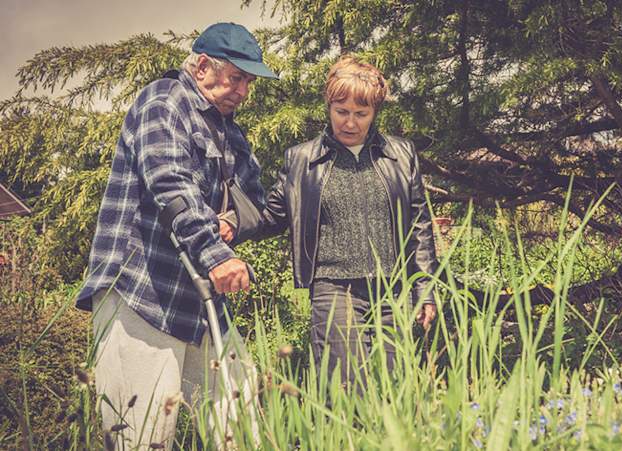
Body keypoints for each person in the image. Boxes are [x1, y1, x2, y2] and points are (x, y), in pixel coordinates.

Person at [75, 22, 275, 448]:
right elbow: (170, 185)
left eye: (249, 81)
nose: (244, 90)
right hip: (141, 293)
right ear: (202, 66)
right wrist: (217, 252)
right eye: (237, 77)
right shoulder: (163, 102)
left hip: (200, 298)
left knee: (242, 429)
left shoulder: (229, 130)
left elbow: (254, 201)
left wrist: (230, 225)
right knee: (144, 435)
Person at [261, 56, 438, 389]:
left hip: (392, 290)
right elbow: (270, 214)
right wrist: (227, 222)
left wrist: (425, 289)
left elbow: (419, 224)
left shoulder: (401, 154)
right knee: (344, 389)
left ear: (374, 112)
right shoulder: (302, 159)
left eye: (361, 114)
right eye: (342, 112)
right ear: (329, 107)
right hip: (334, 288)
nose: (351, 123)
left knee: (392, 389)